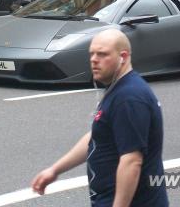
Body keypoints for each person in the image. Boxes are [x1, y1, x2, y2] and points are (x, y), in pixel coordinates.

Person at [31, 29, 168, 206]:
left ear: (123, 57)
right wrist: (56, 169)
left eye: (102, 54)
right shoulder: (119, 88)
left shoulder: (129, 98)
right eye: (92, 54)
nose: (94, 59)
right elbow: (97, 136)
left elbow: (132, 161)